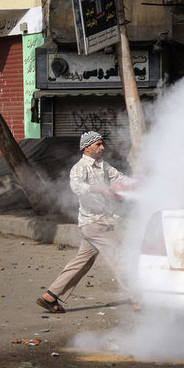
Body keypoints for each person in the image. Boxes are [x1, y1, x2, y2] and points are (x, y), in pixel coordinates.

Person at [37, 131, 136, 313]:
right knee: (120, 257)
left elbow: (119, 178)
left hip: (100, 222)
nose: (102, 147)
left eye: (102, 143)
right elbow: (77, 187)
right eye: (98, 144)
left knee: (82, 261)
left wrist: (137, 183)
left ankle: (50, 296)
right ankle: (139, 298)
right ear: (87, 147)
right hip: (94, 224)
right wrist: (100, 190)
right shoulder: (80, 168)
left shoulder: (103, 165)